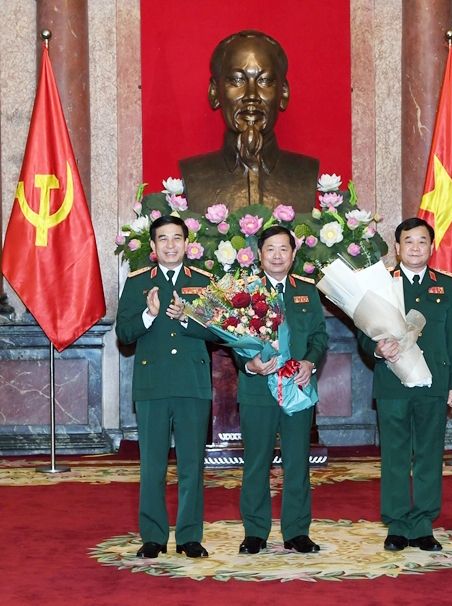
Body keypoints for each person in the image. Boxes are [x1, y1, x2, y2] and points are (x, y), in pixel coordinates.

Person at [358, 217, 452, 552]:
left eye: (422, 241)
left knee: (429, 455)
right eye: (409, 241)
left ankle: (422, 524)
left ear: (431, 247)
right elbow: (364, 333)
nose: (415, 247)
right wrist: (376, 348)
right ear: (397, 247)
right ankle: (397, 525)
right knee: (395, 454)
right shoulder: (382, 284)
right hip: (392, 383)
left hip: (434, 382)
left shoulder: (447, 286)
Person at [116, 216, 217, 559]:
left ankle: (189, 536)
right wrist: (148, 315)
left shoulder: (203, 281)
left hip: (192, 384)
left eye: (177, 238)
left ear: (187, 244)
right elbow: (123, 333)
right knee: (152, 466)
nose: (170, 245)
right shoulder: (137, 283)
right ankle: (153, 536)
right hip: (152, 385)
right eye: (163, 239)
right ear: (153, 246)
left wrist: (187, 318)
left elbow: (220, 331)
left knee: (192, 465)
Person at [234, 225, 328, 555]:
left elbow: (319, 336)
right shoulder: (245, 292)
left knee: (298, 462)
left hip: (297, 388)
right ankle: (255, 532)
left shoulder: (307, 291)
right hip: (258, 389)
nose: (277, 255)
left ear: (293, 254)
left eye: (283, 249)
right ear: (259, 254)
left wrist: (310, 362)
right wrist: (250, 364)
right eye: (270, 249)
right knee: (256, 462)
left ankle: (297, 531)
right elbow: (233, 338)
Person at [179, 30, 319, 213]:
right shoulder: (195, 174)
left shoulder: (306, 173)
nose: (251, 95)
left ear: (283, 93)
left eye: (264, 80)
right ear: (214, 93)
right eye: (237, 80)